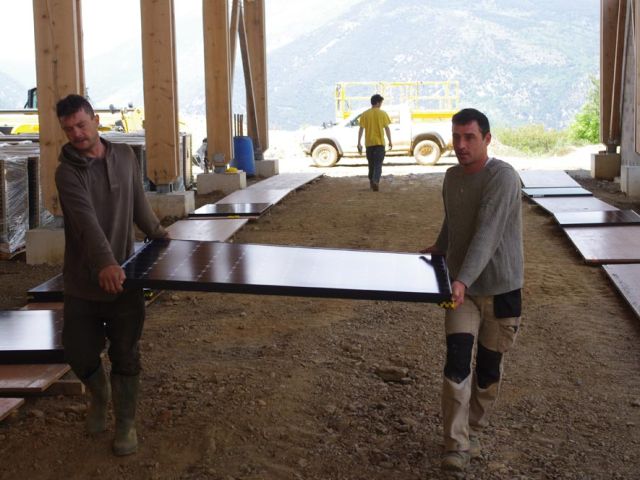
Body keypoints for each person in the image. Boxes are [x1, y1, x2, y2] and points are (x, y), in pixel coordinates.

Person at [55, 94, 166, 456]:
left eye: (81, 125)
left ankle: (126, 424)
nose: (76, 133)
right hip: (84, 283)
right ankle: (99, 397)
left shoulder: (124, 157)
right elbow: (84, 222)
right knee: (79, 353)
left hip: (125, 280)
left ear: (96, 120)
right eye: (68, 128)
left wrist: (160, 235)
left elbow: (138, 203)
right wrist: (105, 264)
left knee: (126, 353)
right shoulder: (67, 171)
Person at [422, 108, 523, 472]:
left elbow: (487, 234)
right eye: (456, 137)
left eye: (469, 138)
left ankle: (474, 428)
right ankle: (457, 444)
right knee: (457, 363)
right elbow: (455, 219)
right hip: (461, 291)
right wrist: (439, 247)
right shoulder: (451, 177)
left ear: (486, 139)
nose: (461, 145)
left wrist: (461, 279)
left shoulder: (503, 178)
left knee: (489, 370)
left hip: (501, 289)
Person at [357, 93, 392, 191]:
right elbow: (387, 128)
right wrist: (390, 141)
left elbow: (361, 129)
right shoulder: (383, 113)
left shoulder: (365, 114)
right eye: (380, 102)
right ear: (377, 103)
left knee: (371, 164)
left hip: (369, 144)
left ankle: (371, 182)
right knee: (378, 164)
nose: (381, 104)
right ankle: (375, 181)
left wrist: (359, 142)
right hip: (380, 143)